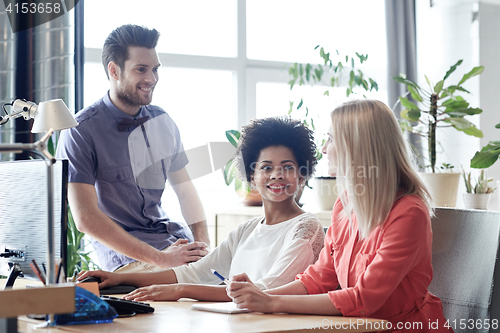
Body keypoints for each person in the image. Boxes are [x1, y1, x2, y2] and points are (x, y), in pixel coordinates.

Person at [227, 100, 453, 332]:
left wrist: (270, 302)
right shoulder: (344, 206)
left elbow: (364, 298)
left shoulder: (409, 213)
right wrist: (258, 295)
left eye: (331, 139)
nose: (324, 149)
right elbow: (318, 280)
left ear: (358, 147)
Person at [78, 116, 325, 302]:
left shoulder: (306, 227)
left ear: (302, 175)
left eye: (288, 166)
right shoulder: (246, 231)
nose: (278, 175)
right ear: (251, 176)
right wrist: (122, 278)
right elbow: (195, 273)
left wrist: (181, 291)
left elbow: (264, 289)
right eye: (267, 168)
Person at [56, 24, 210, 273]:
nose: (152, 79)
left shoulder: (164, 122)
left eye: (155, 69)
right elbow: (85, 219)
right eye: (141, 69)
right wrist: (161, 259)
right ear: (114, 70)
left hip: (174, 242)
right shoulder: (80, 131)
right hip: (128, 259)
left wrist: (203, 246)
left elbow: (186, 191)